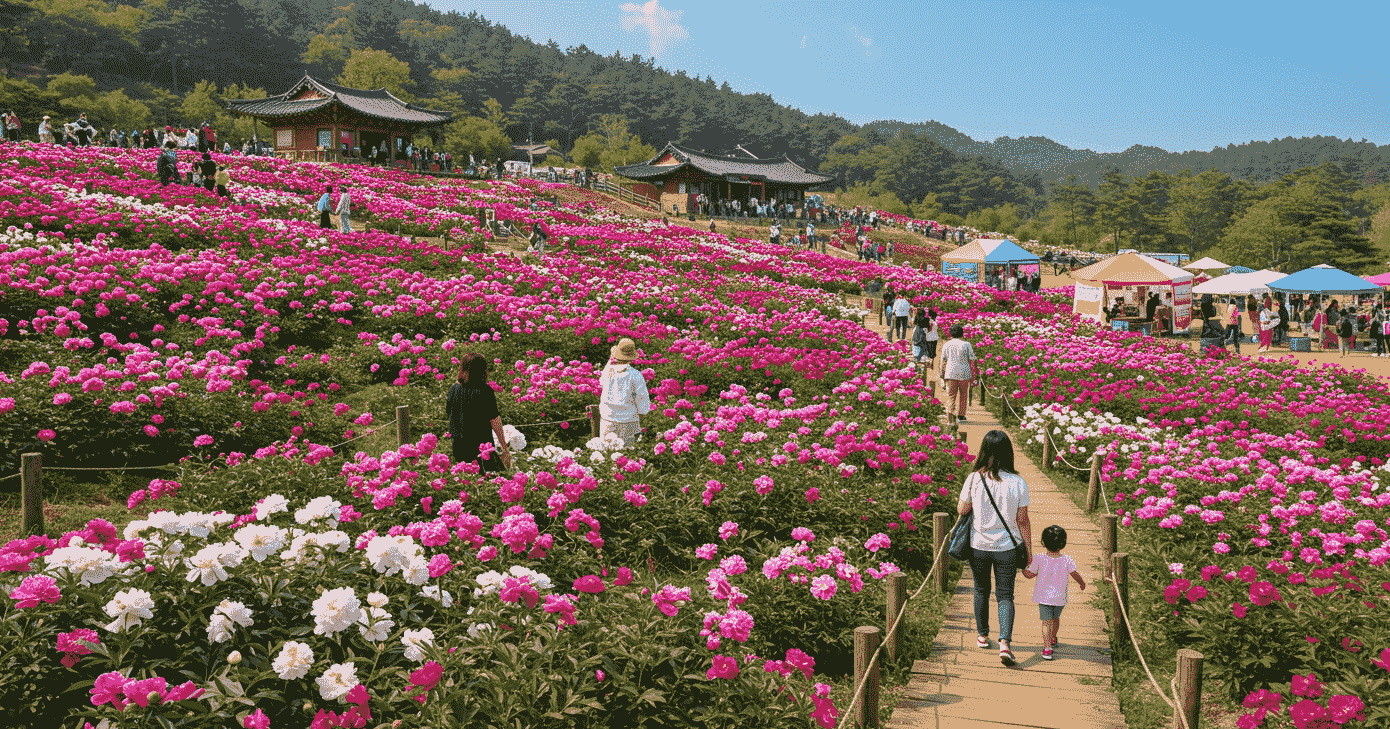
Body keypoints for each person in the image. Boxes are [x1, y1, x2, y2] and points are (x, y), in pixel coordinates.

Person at [958, 430, 1032, 666]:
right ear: (1008, 453)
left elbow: (962, 510)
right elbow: (1022, 521)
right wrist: (1029, 550)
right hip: (1007, 547)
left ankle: (981, 635)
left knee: (981, 589)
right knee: (1005, 595)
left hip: (978, 545)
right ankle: (1004, 643)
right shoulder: (1018, 482)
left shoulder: (973, 479)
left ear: (984, 452)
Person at [1020, 525, 1085, 662]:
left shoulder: (1039, 559)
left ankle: (1047, 646)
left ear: (1043, 543)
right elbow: (1074, 573)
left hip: (1044, 597)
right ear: (1063, 543)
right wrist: (1081, 583)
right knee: (1055, 619)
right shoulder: (1067, 559)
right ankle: (1053, 638)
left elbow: (1030, 575)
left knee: (1046, 622)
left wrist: (1023, 569)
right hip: (1060, 597)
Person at [445, 353, 512, 473]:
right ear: (482, 370)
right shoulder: (485, 391)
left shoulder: (454, 389)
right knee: (490, 479)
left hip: (459, 446)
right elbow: (494, 420)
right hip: (481, 448)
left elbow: (448, 413)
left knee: (465, 479)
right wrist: (505, 449)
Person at [598, 338, 650, 449]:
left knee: (606, 453)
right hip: (629, 419)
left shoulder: (608, 371)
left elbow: (601, 382)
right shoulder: (635, 375)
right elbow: (642, 397)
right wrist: (642, 414)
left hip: (608, 417)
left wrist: (611, 361)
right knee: (627, 453)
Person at [939, 323, 978, 425]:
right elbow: (972, 361)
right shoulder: (967, 345)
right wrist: (974, 377)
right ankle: (961, 415)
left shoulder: (946, 344)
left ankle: (951, 416)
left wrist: (942, 374)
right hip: (964, 373)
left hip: (950, 372)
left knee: (951, 395)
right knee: (963, 394)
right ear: (962, 333)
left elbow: (943, 361)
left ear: (950, 334)